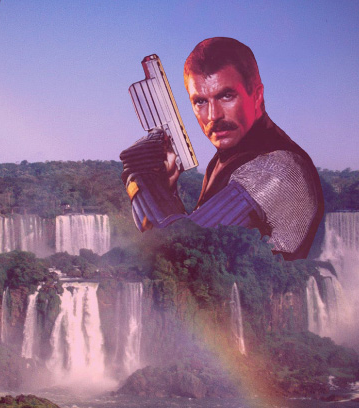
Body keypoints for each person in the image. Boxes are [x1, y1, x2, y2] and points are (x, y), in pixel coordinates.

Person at [120, 37, 324, 261]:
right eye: (200, 102)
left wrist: (139, 175)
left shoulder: (276, 169)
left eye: (226, 96)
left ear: (256, 95)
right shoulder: (225, 160)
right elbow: (197, 239)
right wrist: (166, 190)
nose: (212, 116)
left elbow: (181, 251)